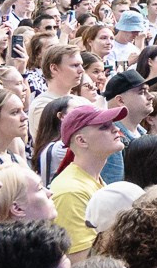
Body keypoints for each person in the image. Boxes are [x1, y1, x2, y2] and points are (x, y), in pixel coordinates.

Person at [49, 103, 128, 255]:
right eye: (104, 126)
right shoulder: (70, 191)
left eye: (112, 124)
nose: (115, 129)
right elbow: (82, 264)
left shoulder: (91, 179)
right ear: (82, 141)